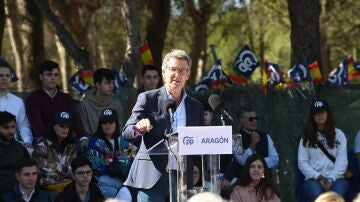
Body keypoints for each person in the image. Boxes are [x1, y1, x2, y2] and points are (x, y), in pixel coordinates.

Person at [123, 49, 204, 202]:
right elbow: (126, 132)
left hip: (182, 178)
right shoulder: (147, 98)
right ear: (164, 72)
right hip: (151, 178)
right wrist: (138, 128)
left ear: (188, 74)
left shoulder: (196, 107)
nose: (177, 74)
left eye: (182, 70)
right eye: (173, 69)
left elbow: (199, 143)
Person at [25, 60, 88, 151]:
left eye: (56, 75)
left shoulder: (66, 98)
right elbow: (37, 125)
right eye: (49, 74)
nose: (53, 78)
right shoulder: (33, 99)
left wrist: (83, 137)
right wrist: (50, 142)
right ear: (41, 76)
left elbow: (75, 119)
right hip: (42, 140)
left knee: (87, 149)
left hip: (66, 140)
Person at [298, 99, 348, 201]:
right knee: (318, 196)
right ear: (312, 116)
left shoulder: (339, 134)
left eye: (322, 112)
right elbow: (302, 163)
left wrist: (331, 179)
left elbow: (342, 162)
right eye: (316, 113)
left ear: (328, 114)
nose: (320, 116)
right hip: (314, 178)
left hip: (337, 178)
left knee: (335, 197)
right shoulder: (306, 136)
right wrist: (318, 177)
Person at [87, 108, 133, 199]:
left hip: (123, 179)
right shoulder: (95, 142)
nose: (108, 125)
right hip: (102, 181)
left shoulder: (124, 140)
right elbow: (93, 163)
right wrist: (119, 159)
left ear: (116, 123)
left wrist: (109, 160)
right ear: (100, 125)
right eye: (104, 122)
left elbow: (132, 159)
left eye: (111, 122)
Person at [224, 106, 279, 182]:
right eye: (251, 119)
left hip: (264, 181)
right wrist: (253, 144)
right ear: (241, 120)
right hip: (243, 182)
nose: (254, 121)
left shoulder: (265, 136)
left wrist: (258, 163)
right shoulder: (235, 138)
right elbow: (243, 161)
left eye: (256, 118)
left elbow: (275, 159)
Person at [32, 111, 77, 195]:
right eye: (62, 126)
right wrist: (65, 171)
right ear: (53, 126)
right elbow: (41, 170)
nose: (65, 129)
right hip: (47, 188)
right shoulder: (41, 144)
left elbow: (74, 171)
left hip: (67, 186)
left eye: (68, 126)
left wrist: (56, 166)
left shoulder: (72, 146)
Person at [78, 68, 123, 137]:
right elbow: (82, 132)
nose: (111, 86)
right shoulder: (84, 105)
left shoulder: (116, 104)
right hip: (91, 143)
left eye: (112, 83)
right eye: (107, 83)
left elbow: (120, 130)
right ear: (98, 85)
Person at [0, 57, 33, 147]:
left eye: (7, 76)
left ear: (11, 78)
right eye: (1, 75)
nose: (4, 78)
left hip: (12, 147)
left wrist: (27, 140)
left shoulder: (18, 102)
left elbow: (23, 125)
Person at [0, 111, 31, 197]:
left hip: (19, 192)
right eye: (6, 128)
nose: (11, 131)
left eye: (13, 127)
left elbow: (29, 169)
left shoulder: (20, 148)